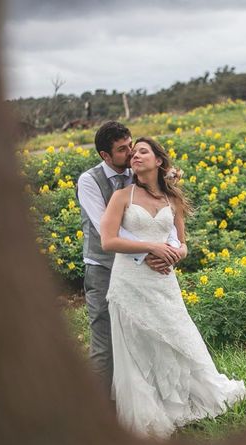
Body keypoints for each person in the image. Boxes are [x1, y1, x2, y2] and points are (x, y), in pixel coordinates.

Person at [100, 137, 246, 439]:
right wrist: (151, 247)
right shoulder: (122, 196)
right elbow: (108, 241)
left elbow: (183, 245)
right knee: (136, 347)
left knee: (179, 337)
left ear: (158, 161)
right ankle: (150, 412)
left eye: (142, 151)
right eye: (132, 153)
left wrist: (174, 254)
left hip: (162, 281)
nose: (135, 156)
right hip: (128, 281)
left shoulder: (173, 201)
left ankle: (188, 398)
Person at [77, 122, 179, 398]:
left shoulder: (138, 171)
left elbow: (165, 213)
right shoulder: (89, 181)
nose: (131, 152)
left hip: (143, 271)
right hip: (103, 268)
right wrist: (148, 252)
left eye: (131, 144)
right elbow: (105, 229)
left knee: (142, 336)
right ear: (104, 156)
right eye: (122, 149)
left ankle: (144, 398)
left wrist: (170, 249)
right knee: (105, 343)